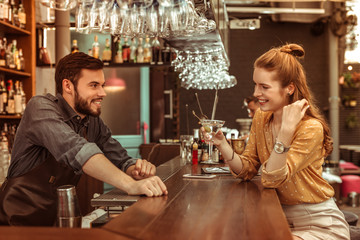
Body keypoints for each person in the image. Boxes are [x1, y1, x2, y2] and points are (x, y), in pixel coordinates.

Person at [0, 52, 167, 226]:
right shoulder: (40, 108)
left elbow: (120, 158)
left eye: (102, 85)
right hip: (15, 224)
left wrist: (135, 169)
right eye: (94, 85)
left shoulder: (92, 121)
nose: (103, 93)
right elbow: (78, 150)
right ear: (68, 86)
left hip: (54, 222)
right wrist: (131, 186)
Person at [202, 43, 350, 240]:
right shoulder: (261, 118)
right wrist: (222, 144)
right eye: (255, 84)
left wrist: (286, 130)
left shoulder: (310, 128)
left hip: (319, 223)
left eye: (264, 87)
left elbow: (272, 179)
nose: (256, 93)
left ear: (289, 88)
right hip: (278, 218)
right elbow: (246, 169)